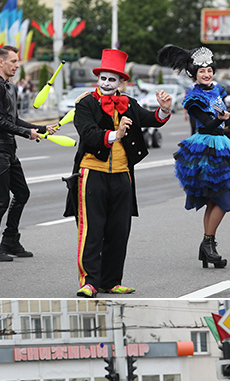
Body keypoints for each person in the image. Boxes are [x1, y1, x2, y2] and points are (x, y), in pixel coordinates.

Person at [66, 48, 172, 297]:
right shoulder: (85, 104)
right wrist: (116, 135)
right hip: (92, 172)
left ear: (120, 82)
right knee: (92, 230)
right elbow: (89, 134)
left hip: (123, 174)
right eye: (103, 78)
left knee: (118, 231)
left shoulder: (128, 104)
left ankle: (110, 281)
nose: (106, 83)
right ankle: (89, 282)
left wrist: (165, 109)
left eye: (111, 79)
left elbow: (151, 119)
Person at [159, 43, 230, 268]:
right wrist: (222, 118)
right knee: (223, 200)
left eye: (209, 70)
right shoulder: (193, 98)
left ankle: (208, 246)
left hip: (219, 143)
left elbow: (222, 121)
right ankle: (208, 244)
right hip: (205, 148)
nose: (207, 74)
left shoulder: (217, 90)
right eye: (202, 71)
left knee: (214, 200)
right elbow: (209, 124)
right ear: (194, 74)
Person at [0, 45, 54, 263]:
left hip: (9, 149)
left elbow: (13, 120)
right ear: (0, 62)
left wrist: (41, 129)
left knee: (22, 193)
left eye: (17, 61)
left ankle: (10, 240)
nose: (17, 65)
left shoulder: (9, 87)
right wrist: (26, 133)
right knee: (1, 199)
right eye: (13, 61)